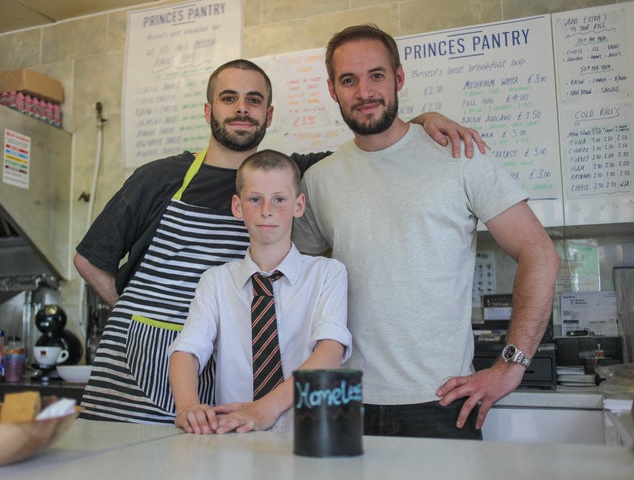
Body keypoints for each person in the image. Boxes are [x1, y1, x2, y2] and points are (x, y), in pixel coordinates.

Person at [74, 58, 487, 424]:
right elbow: (90, 260)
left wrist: (419, 122)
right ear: (208, 110)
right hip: (132, 369)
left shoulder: (286, 172)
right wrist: (143, 320)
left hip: (219, 375)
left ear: (268, 115)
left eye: (253, 100)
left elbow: (368, 143)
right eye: (228, 98)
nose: (241, 108)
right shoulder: (159, 177)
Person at [292, 24, 561, 439]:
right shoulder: (319, 180)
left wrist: (511, 365)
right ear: (332, 90)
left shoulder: (458, 154)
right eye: (349, 80)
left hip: (441, 400)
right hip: (340, 395)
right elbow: (296, 279)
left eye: (376, 75)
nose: (364, 91)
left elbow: (539, 252)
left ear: (399, 78)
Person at [168, 150, 350, 434]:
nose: (267, 210)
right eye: (255, 199)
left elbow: (330, 351)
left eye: (279, 199)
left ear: (299, 205)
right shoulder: (216, 281)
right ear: (237, 207)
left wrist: (264, 409)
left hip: (308, 436)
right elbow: (187, 351)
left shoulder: (328, 274)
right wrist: (188, 406)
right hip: (234, 434)